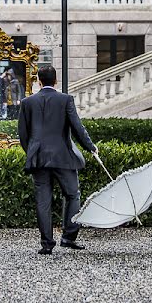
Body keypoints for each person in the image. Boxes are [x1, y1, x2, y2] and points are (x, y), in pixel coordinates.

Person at [18, 65, 97, 255]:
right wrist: (91, 147)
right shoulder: (65, 100)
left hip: (38, 157)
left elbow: (22, 133)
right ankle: (68, 237)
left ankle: (47, 244)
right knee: (72, 195)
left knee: (43, 201)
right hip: (63, 156)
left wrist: (32, 151)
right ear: (55, 81)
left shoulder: (27, 102)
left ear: (38, 81)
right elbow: (77, 127)